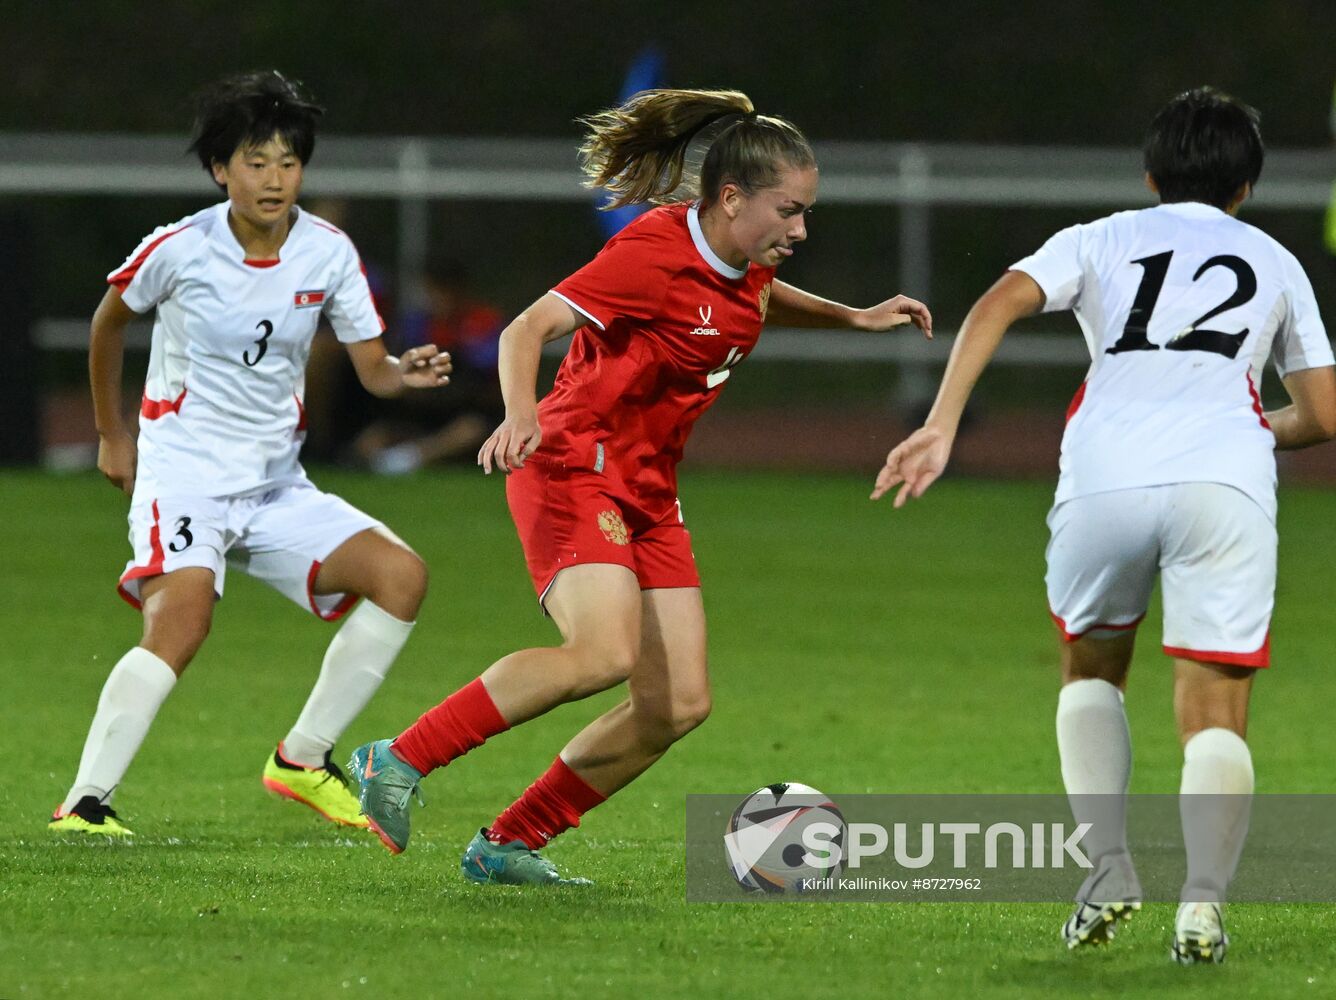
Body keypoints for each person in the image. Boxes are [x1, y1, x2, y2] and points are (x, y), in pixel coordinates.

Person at [348, 88, 931, 883]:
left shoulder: (746, 260)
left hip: (649, 492)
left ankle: (508, 845)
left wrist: (854, 317)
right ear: (731, 199)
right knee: (600, 654)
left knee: (677, 704)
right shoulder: (653, 251)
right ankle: (397, 758)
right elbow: (528, 328)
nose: (801, 229)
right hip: (571, 465)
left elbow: (752, 297)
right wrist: (521, 414)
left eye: (806, 212)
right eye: (789, 211)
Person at [872, 87, 1336, 964]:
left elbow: (997, 303)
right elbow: (1323, 412)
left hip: (1104, 474)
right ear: (1248, 186)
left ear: (1152, 174)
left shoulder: (1102, 237)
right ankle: (1202, 906)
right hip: (1224, 485)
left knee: (1091, 669)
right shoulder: (1274, 259)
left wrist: (939, 422)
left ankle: (1109, 868)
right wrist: (1233, 431)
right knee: (1216, 709)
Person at [48, 70, 452, 838]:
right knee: (183, 622)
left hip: (273, 483)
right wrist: (112, 432)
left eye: (288, 163)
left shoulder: (329, 253)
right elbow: (108, 324)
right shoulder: (180, 248)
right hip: (185, 472)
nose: (274, 179)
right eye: (256, 161)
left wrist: (404, 374)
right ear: (219, 169)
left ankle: (301, 759)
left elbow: (372, 367)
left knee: (401, 577)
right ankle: (85, 803)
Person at [354, 256, 506, 474]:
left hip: (466, 411)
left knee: (469, 431)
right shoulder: (416, 323)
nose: (440, 298)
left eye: (445, 289)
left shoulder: (484, 322)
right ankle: (390, 461)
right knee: (370, 440)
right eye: (433, 289)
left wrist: (454, 357)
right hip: (423, 412)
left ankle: (409, 460)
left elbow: (487, 375)